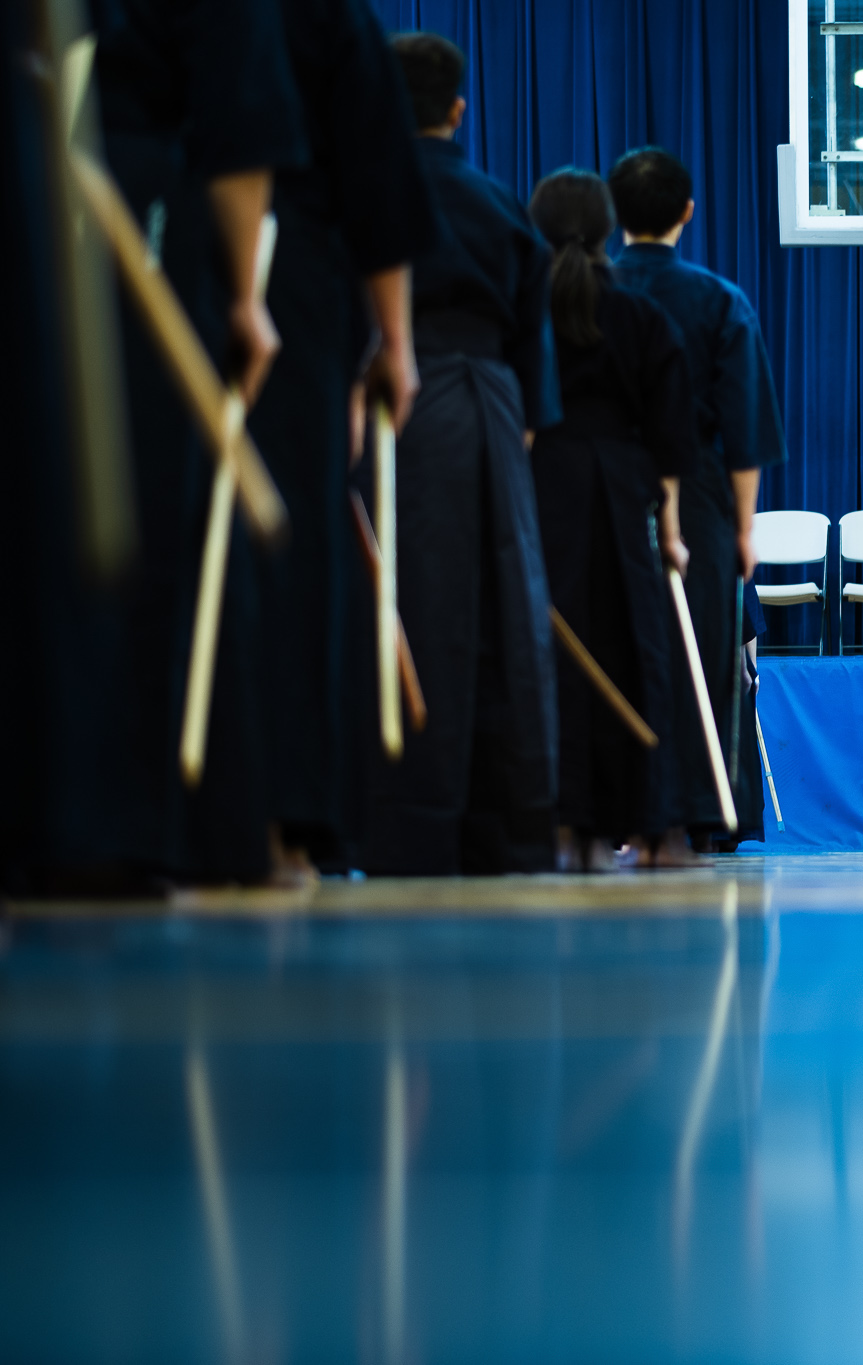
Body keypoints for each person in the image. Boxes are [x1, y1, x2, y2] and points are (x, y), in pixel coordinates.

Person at [74, 0, 306, 885]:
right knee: (155, 510)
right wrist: (246, 293)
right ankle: (151, 820)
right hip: (142, 207)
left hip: (66, 197)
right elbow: (240, 124)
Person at [360, 31, 562, 875]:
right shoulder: (500, 203)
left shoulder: (362, 193)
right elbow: (531, 336)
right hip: (491, 404)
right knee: (503, 616)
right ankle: (502, 821)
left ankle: (395, 818)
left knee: (405, 602)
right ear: (458, 110)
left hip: (391, 402)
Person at [248, 0, 438, 880]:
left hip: (150, 250)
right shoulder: (324, 19)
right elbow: (375, 182)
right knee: (290, 550)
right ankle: (282, 817)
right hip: (290, 282)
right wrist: (393, 343)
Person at [607, 146, 786, 856]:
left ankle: (614, 810)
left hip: (605, 488)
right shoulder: (718, 302)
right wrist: (743, 529)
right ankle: (698, 814)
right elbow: (746, 431)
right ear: (687, 211)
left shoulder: (582, 290)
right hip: (706, 497)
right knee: (703, 654)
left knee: (613, 641)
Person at [526, 170, 696, 872]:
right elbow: (671, 440)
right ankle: (651, 825)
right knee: (638, 652)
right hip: (626, 492)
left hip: (543, 487)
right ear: (606, 229)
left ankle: (566, 828)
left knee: (552, 654)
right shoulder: (643, 316)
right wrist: (675, 531)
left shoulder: (525, 310)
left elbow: (524, 417)